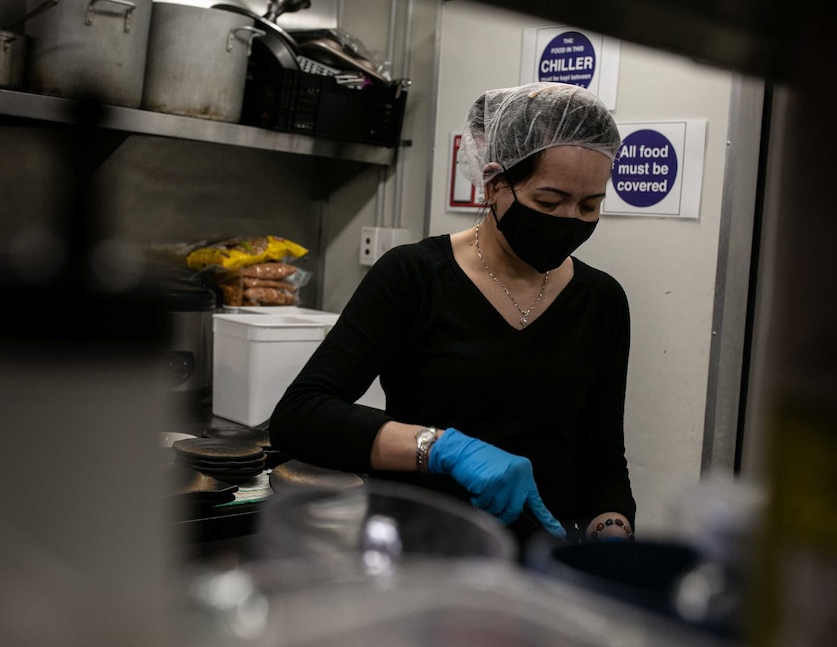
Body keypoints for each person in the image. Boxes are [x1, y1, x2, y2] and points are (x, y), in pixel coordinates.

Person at [270, 81, 636, 545]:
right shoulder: (414, 276)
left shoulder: (602, 301)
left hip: (542, 563)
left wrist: (613, 533)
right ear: (495, 181)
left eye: (590, 205)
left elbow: (603, 457)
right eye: (548, 201)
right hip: (422, 557)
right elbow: (301, 416)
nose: (569, 219)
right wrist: (443, 449)